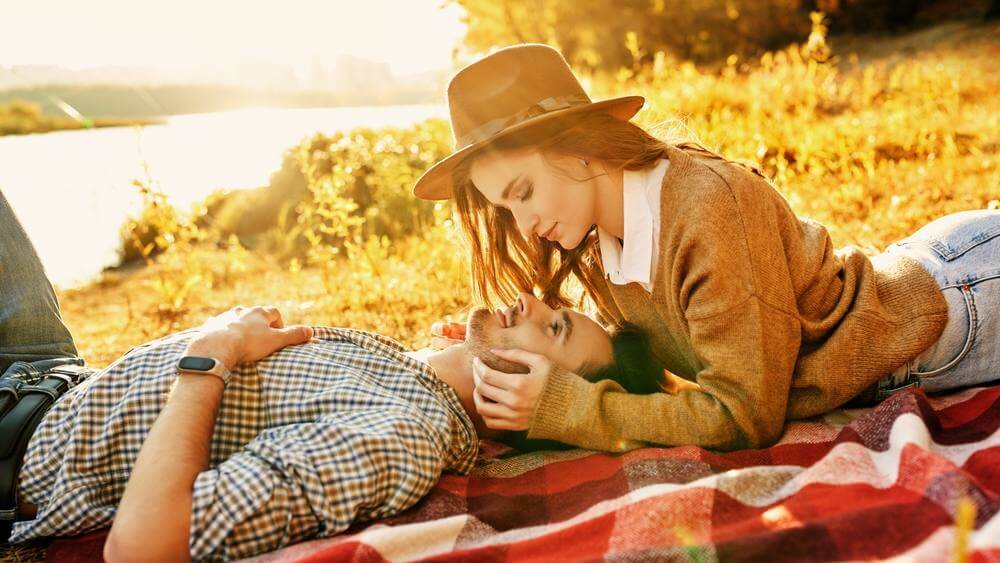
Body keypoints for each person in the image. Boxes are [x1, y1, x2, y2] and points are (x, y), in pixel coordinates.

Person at [0, 188, 655, 561]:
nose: (532, 301)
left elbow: (145, 547)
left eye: (554, 329)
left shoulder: (402, 435)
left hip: (19, 444)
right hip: (54, 369)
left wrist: (211, 354)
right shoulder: (410, 372)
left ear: (534, 402)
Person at [413, 43, 1000, 452]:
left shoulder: (706, 207)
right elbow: (642, 335)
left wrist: (568, 410)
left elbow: (745, 414)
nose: (521, 227)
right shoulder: (599, 249)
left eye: (524, 193)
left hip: (958, 305)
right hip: (929, 276)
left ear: (575, 148)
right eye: (505, 208)